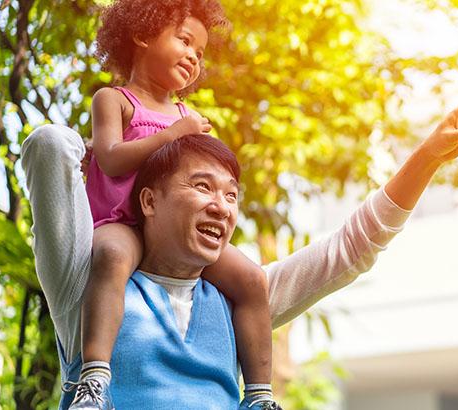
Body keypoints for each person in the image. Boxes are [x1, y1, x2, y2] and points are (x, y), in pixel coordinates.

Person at [21, 82, 458, 408]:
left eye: (231, 195)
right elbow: (48, 147)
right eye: (202, 187)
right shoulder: (87, 287)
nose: (222, 207)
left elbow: (353, 246)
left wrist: (428, 157)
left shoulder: (240, 300)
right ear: (149, 200)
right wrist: (104, 152)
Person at [76, 1, 280, 408]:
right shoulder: (113, 100)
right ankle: (94, 379)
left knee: (254, 280)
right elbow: (112, 157)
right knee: (112, 257)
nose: (193, 57)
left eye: (200, 53)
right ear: (142, 35)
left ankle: (259, 396)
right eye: (184, 41)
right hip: (124, 221)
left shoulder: (186, 115)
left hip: (173, 230)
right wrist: (172, 135)